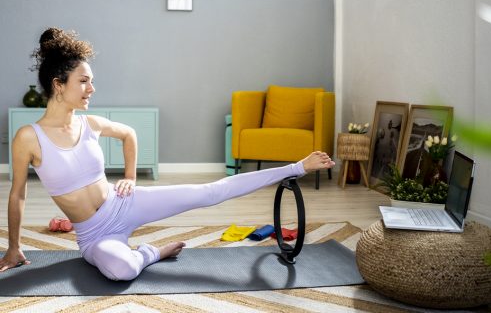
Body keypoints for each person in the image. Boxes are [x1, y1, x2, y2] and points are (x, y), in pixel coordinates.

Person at [0, 28, 335, 281]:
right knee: (122, 270)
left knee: (209, 192)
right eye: (84, 81)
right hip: (93, 235)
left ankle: (296, 166)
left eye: (92, 81)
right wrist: (14, 247)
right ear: (59, 84)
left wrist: (130, 177)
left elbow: (129, 134)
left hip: (124, 204)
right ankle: (152, 252)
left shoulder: (90, 123)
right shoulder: (29, 138)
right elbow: (17, 195)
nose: (92, 88)